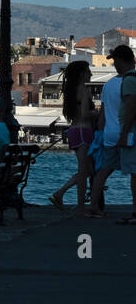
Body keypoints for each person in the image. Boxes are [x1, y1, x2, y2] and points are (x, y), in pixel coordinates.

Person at [91, 46, 136, 218]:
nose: (114, 64)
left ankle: (94, 205)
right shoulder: (130, 81)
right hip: (127, 132)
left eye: (115, 60)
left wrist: (100, 133)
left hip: (109, 133)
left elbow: (102, 114)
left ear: (121, 60)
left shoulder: (108, 85)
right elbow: (131, 108)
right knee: (133, 172)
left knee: (104, 170)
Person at [49, 60, 95, 213]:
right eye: (88, 71)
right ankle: (80, 205)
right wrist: (99, 112)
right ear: (82, 74)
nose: (91, 74)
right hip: (83, 131)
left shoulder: (70, 90)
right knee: (84, 171)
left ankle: (60, 193)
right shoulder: (83, 90)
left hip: (74, 130)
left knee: (88, 170)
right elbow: (85, 114)